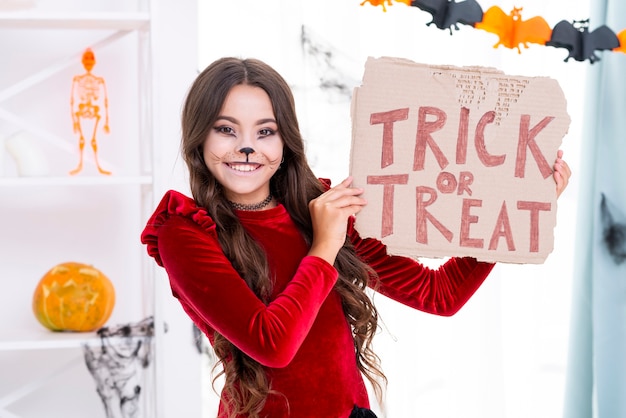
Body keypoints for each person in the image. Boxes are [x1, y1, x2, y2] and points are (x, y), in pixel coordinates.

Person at [141, 57, 571, 418]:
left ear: (286, 140)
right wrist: (324, 245)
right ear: (199, 137)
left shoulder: (322, 210)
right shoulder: (185, 232)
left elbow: (440, 295)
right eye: (226, 129)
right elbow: (272, 345)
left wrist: (512, 205)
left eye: (265, 131)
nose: (247, 147)